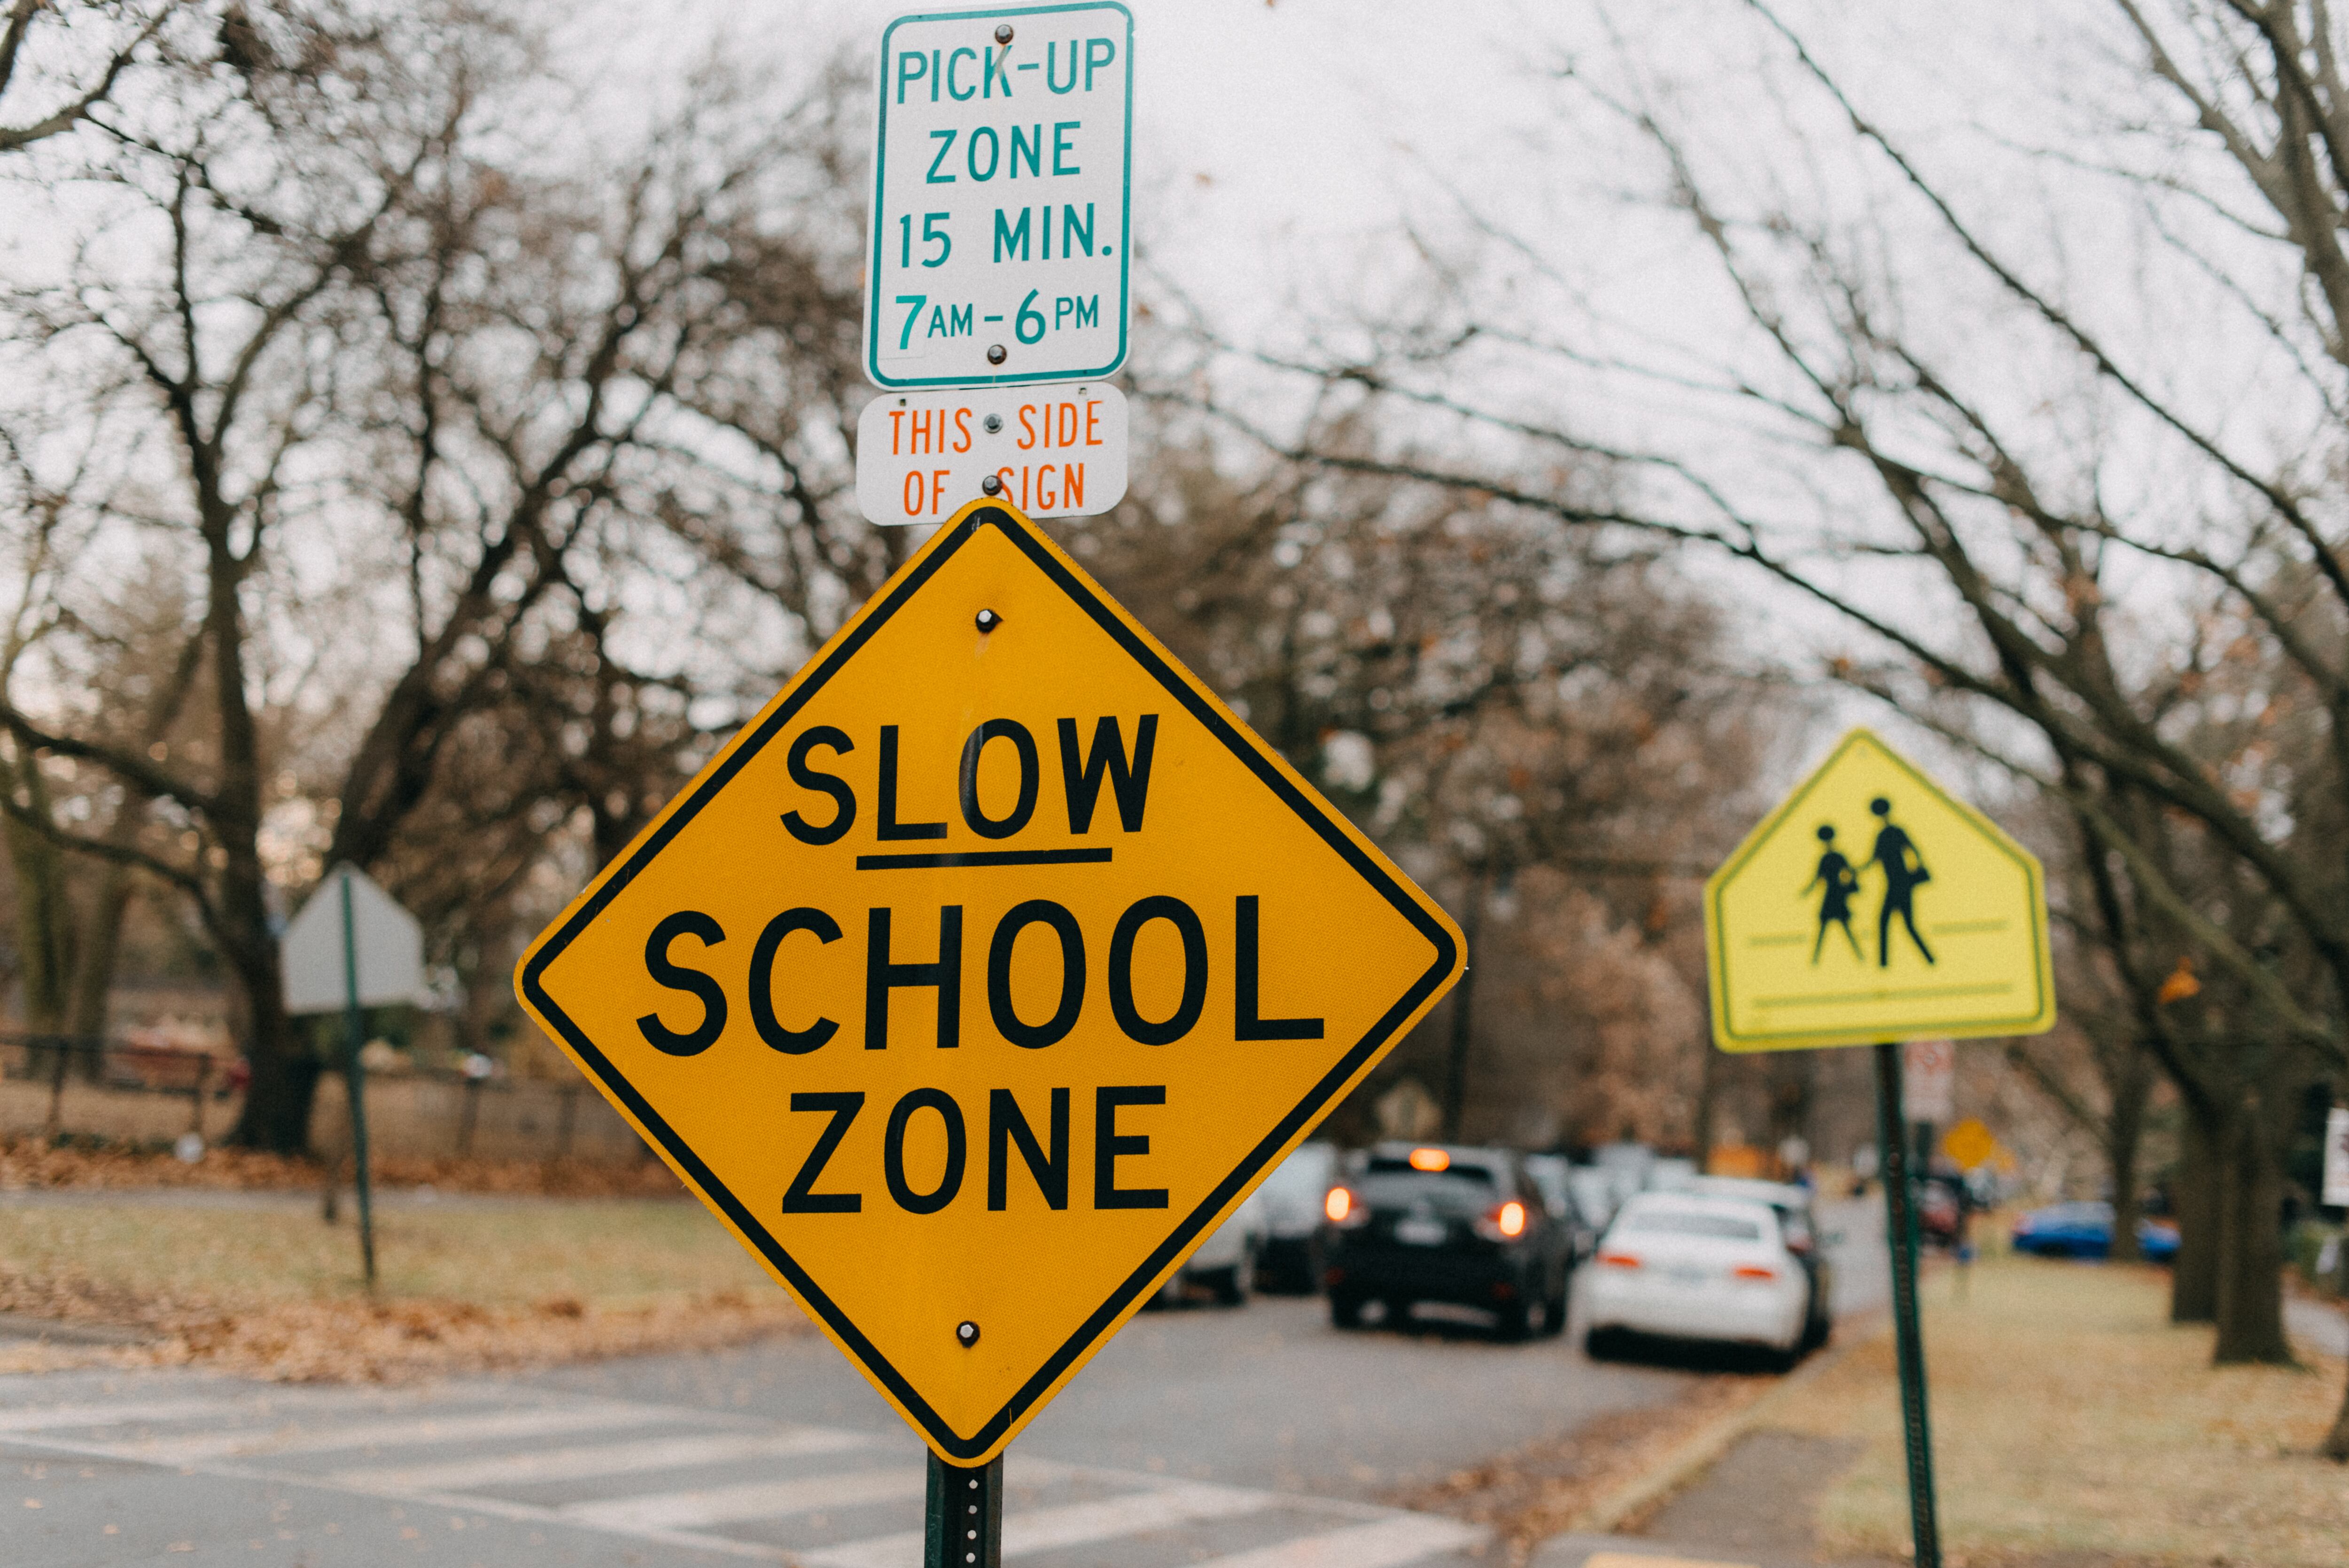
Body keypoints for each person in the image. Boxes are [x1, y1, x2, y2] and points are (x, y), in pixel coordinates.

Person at [1866, 795, 1935, 967]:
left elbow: (1913, 850)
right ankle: (1885, 963)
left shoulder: (1893, 832)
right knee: (1889, 923)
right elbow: (1873, 860)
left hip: (1901, 885)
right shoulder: (1884, 834)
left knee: (1899, 924)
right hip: (1895, 885)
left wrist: (1917, 868)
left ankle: (1928, 959)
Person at [1805, 823, 1863, 963]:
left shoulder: (1831, 858)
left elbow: (1819, 879)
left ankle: (1858, 956)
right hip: (1835, 894)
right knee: (1828, 926)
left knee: (1840, 926)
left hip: (1834, 895)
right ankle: (1815, 959)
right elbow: (1819, 879)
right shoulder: (1833, 857)